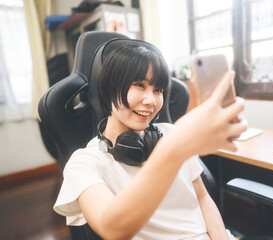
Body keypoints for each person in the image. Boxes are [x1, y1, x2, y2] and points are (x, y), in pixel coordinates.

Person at [54, 43, 247, 240]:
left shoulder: (171, 133)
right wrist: (174, 148)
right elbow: (112, 229)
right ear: (110, 88)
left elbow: (202, 197)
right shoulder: (84, 163)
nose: (151, 101)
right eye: (139, 85)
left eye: (158, 89)